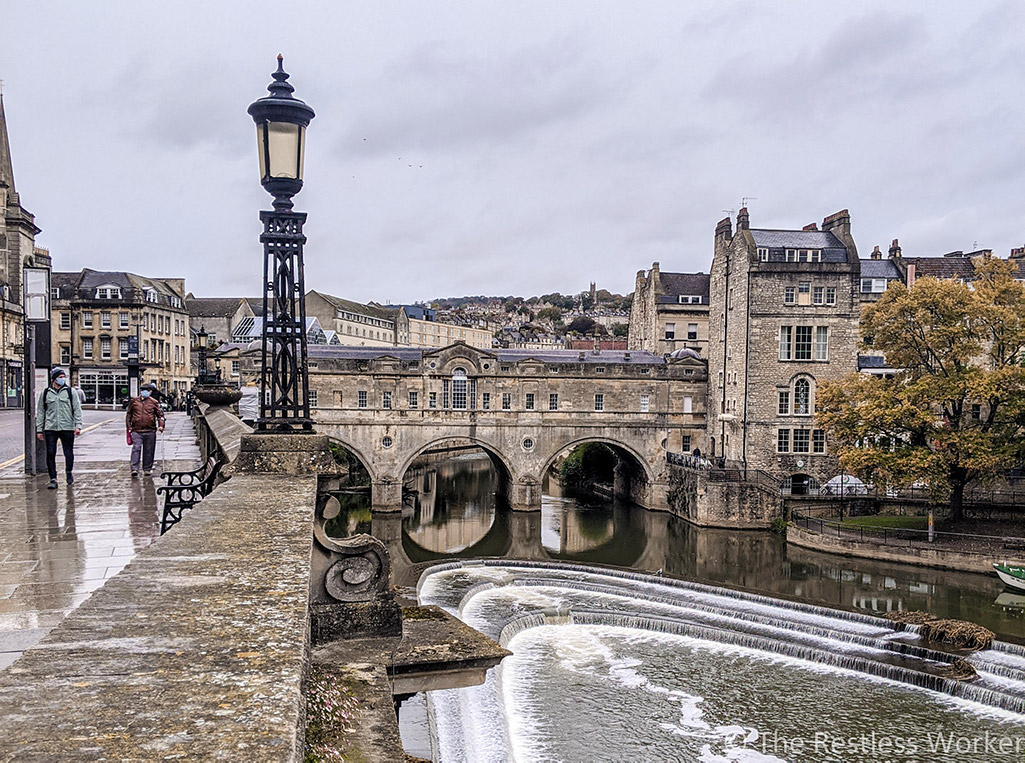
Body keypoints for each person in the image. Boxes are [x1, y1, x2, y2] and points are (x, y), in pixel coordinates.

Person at [35, 367, 83, 489]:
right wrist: (39, 429)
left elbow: (77, 409)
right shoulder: (46, 393)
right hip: (50, 427)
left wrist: (78, 426)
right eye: (60, 377)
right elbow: (41, 412)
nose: (62, 379)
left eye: (63, 377)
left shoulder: (70, 392)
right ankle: (53, 479)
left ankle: (68, 473)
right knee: (50, 453)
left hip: (67, 427)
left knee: (68, 452)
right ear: (54, 379)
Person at [126, 382, 165, 477]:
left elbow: (160, 415)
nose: (144, 392)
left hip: (150, 430)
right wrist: (129, 426)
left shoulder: (154, 402)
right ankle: (134, 468)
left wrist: (161, 425)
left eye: (147, 391)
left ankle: (147, 468)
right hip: (136, 430)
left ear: (150, 392)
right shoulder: (134, 401)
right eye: (143, 390)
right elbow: (129, 414)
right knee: (136, 448)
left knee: (149, 450)